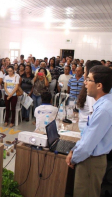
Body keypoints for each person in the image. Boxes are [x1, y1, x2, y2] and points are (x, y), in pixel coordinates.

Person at [66, 65, 112, 197]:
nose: (85, 82)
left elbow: (88, 145)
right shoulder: (104, 103)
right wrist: (73, 149)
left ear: (99, 85)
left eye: (89, 79)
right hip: (90, 157)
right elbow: (88, 135)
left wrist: (74, 157)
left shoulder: (104, 109)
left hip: (91, 161)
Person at [77, 61, 101, 132]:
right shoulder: (90, 90)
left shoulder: (92, 94)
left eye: (85, 73)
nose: (83, 75)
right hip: (84, 128)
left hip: (87, 130)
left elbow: (93, 118)